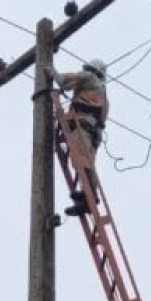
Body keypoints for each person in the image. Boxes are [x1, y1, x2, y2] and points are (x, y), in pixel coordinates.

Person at [52, 58, 108, 212]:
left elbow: (65, 82)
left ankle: (89, 198)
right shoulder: (102, 93)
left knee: (81, 161)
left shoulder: (89, 78)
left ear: (92, 70)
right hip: (93, 133)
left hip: (83, 127)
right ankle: (86, 196)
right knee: (84, 163)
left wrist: (52, 72)